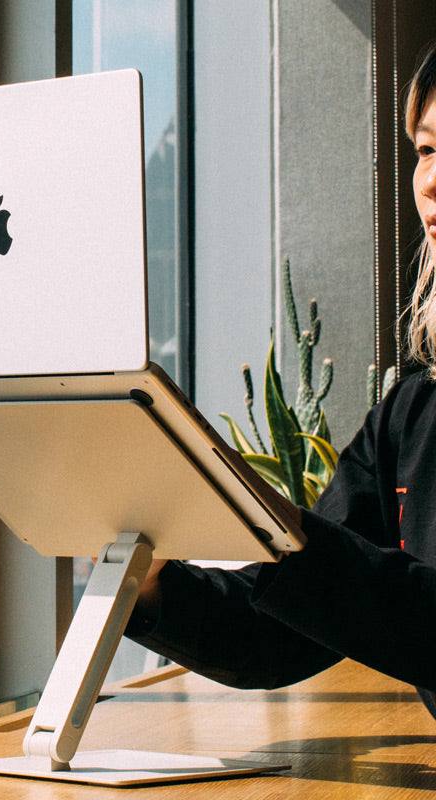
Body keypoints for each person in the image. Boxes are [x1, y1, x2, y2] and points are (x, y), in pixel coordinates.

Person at [125, 42, 436, 718]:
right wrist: (148, 582)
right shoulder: (412, 410)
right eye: (427, 151)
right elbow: (278, 635)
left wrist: (280, 529)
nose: (430, 181)